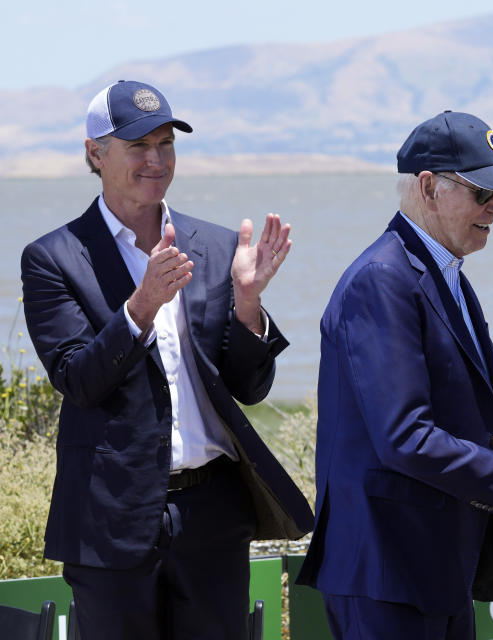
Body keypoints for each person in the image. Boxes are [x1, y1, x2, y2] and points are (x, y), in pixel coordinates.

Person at [20, 80, 314, 639]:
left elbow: (248, 388)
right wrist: (141, 307)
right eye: (138, 146)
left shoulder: (219, 246)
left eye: (165, 144)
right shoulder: (53, 258)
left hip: (211, 516)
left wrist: (249, 306)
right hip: (110, 522)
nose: (156, 160)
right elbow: (78, 380)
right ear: (94, 153)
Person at [296, 110, 493, 639]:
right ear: (428, 187)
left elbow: (436, 417)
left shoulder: (440, 270)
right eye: (484, 193)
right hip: (388, 571)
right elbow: (403, 436)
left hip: (433, 569)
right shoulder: (382, 280)